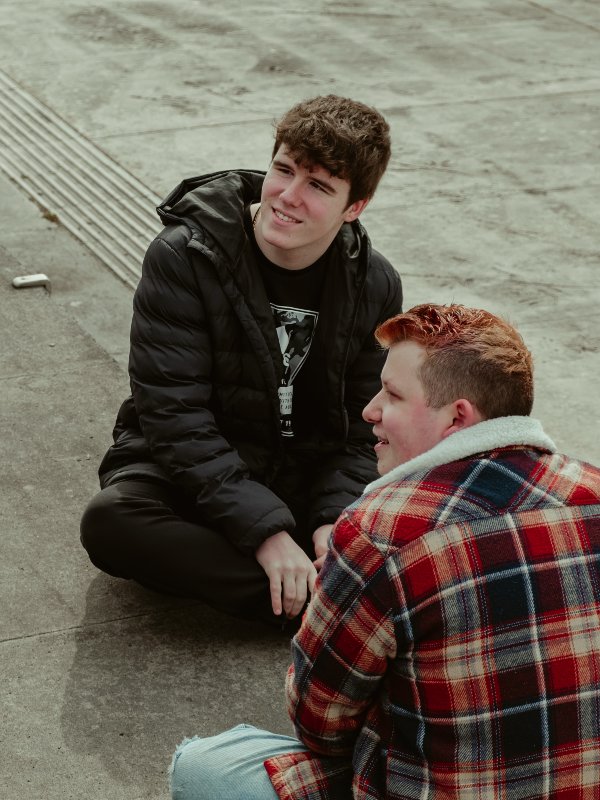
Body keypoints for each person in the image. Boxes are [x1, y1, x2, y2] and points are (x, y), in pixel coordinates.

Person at [169, 304, 600, 799]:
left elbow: (320, 723)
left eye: (392, 394)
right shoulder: (592, 491)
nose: (370, 410)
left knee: (207, 766)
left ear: (457, 417)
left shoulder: (383, 531)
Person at [80, 95, 403, 625]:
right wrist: (268, 534)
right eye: (284, 170)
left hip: (305, 474)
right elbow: (174, 416)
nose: (288, 197)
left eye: (318, 186)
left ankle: (310, 593)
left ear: (354, 207)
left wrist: (331, 525)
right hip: (192, 469)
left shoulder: (373, 282)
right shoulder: (186, 254)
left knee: (432, 524)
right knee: (113, 522)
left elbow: (364, 427)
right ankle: (338, 613)